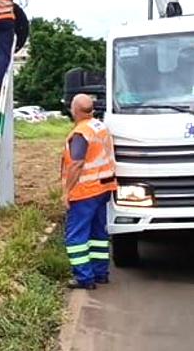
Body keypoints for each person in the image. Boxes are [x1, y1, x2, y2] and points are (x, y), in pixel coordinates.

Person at [61, 94, 118, 289]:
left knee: (76, 236)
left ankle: (84, 278)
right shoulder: (99, 126)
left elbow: (76, 164)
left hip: (85, 190)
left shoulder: (80, 133)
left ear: (75, 110)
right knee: (98, 234)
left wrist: (66, 192)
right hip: (104, 187)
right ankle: (100, 273)